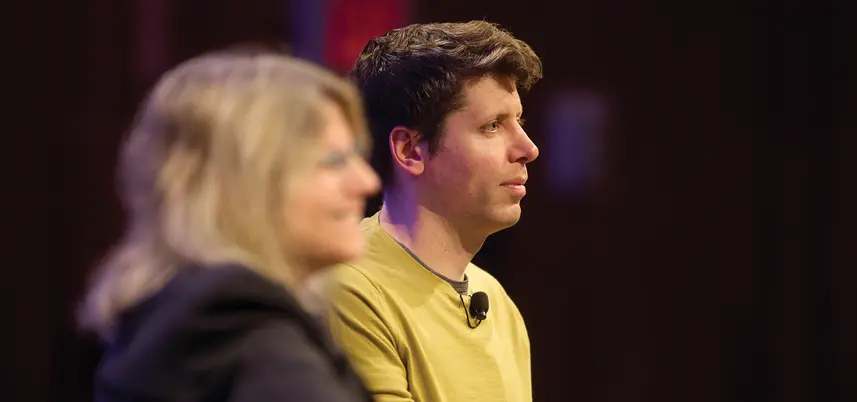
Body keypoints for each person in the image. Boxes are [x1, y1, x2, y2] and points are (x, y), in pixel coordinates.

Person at [77, 48, 381, 402]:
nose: (367, 182)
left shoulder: (187, 316)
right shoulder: (238, 329)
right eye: (334, 161)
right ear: (247, 182)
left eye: (357, 157)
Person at [324, 21, 543, 402]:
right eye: (492, 126)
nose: (528, 148)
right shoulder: (350, 289)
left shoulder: (498, 302)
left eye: (518, 122)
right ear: (410, 150)